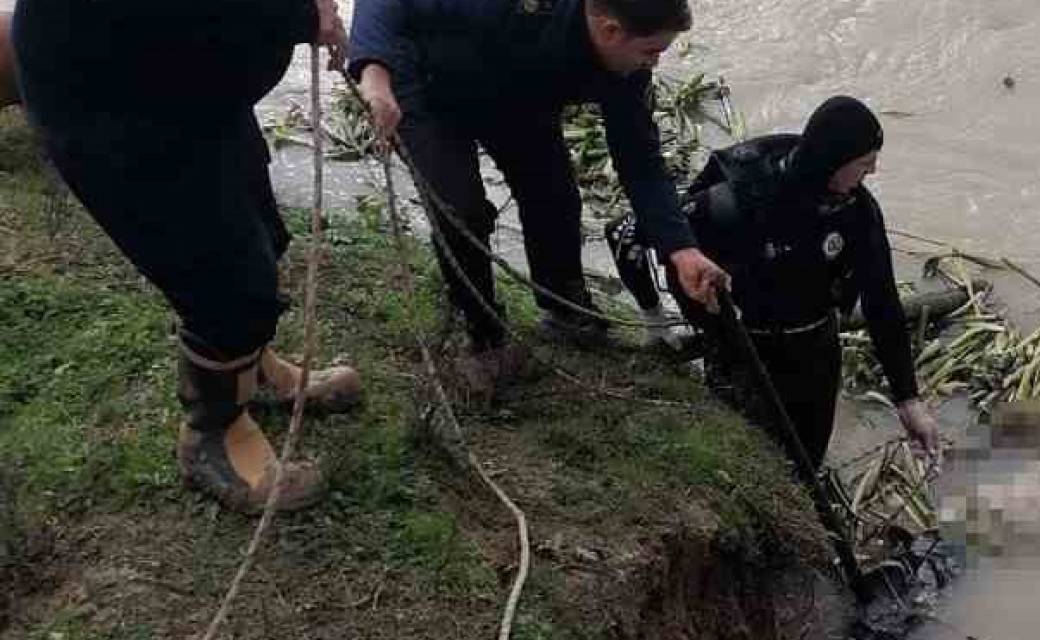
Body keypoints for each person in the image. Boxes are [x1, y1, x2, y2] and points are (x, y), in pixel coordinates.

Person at [13, 0, 362, 513]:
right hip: (117, 106)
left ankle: (252, 370)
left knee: (261, 230)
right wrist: (298, 18)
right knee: (226, 281)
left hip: (187, 85)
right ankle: (214, 435)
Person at [349, 0, 729, 390]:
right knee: (461, 212)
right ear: (611, 30)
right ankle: (485, 338)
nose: (654, 64)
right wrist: (373, 73)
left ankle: (563, 307)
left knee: (555, 198)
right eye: (652, 51)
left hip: (518, 94)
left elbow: (641, 163)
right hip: (426, 88)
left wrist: (682, 250)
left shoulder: (626, 71)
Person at [609, 96, 940, 468]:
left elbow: (882, 303)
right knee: (744, 460)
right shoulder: (733, 204)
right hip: (742, 351)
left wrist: (908, 400)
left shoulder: (856, 212)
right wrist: (653, 316)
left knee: (808, 460)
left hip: (816, 348)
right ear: (832, 161)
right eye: (865, 162)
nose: (874, 170)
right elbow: (626, 234)